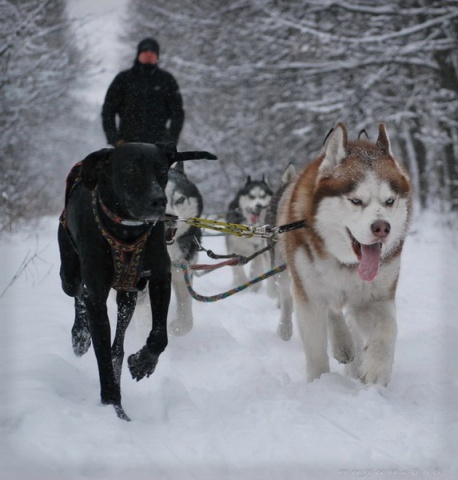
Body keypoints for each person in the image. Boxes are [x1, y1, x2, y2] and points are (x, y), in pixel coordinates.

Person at [102, 37, 185, 147]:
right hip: (127, 144)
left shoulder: (166, 80)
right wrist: (114, 139)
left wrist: (171, 140)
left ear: (157, 56)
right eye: (145, 51)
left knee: (177, 164)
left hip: (158, 146)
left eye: (153, 52)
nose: (149, 54)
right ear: (138, 54)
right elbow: (108, 110)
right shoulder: (123, 79)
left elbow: (178, 113)